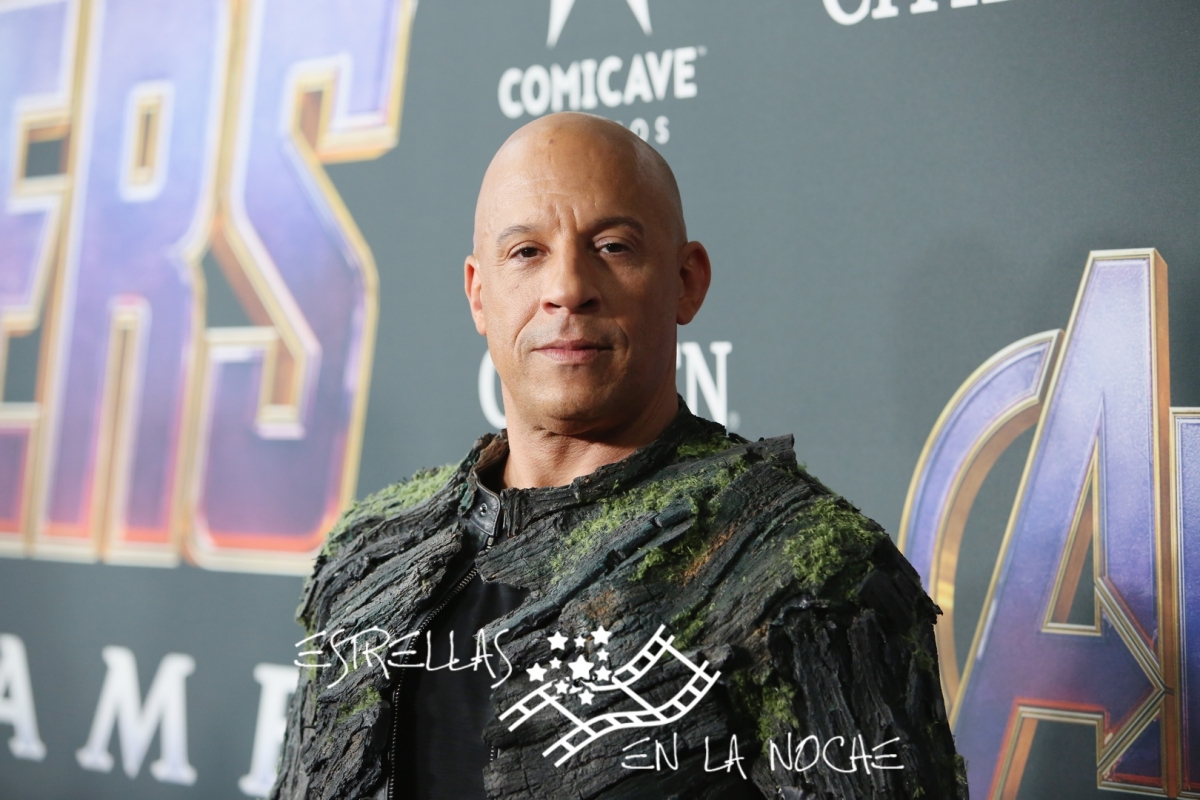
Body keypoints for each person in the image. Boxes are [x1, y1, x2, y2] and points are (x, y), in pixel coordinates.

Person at [270, 112, 966, 800]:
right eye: (527, 252)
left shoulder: (807, 573)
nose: (567, 288)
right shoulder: (366, 553)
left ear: (687, 281)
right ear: (479, 293)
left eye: (612, 246)